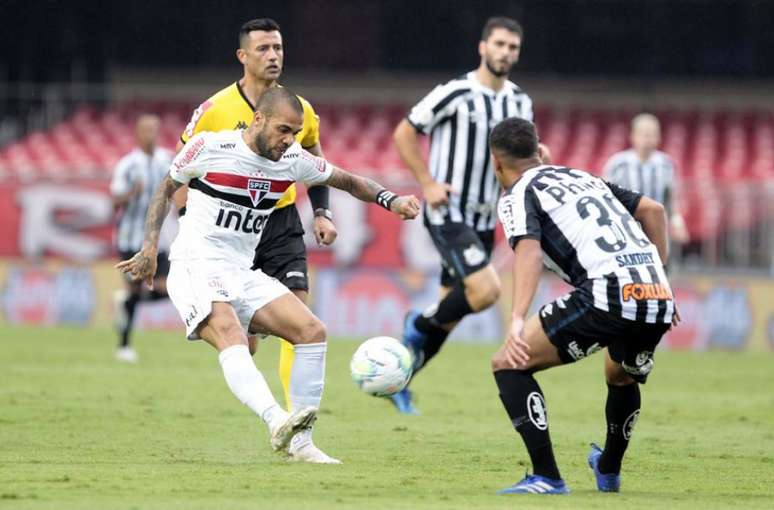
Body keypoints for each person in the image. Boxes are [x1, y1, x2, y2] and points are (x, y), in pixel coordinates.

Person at [117, 88, 420, 464]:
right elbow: (166, 188)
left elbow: (347, 180)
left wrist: (392, 201)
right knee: (231, 333)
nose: (289, 140)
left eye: (294, 132)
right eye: (283, 130)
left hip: (241, 270)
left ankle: (303, 443)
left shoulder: (291, 158)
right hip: (196, 263)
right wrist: (149, 248)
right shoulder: (210, 147)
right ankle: (277, 419)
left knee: (312, 331)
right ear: (258, 120)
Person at [489, 117, 679, 494]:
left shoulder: (516, 195)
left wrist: (515, 319)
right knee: (620, 374)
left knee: (509, 363)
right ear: (538, 150)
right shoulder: (582, 176)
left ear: (497, 163)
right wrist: (658, 280)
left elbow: (527, 252)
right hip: (657, 294)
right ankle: (608, 469)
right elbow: (654, 210)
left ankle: (547, 476)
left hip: (607, 293)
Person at [175, 19, 337, 428]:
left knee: (299, 315)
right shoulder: (214, 111)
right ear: (243, 56)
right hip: (227, 228)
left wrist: (321, 211)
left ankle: (294, 418)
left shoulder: (299, 108)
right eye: (264, 49)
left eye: (278, 48)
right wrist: (186, 223)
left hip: (279, 220)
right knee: (245, 342)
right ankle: (264, 400)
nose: (274, 56)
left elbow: (317, 159)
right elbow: (180, 172)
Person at [391, 16, 538, 414]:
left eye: (513, 47)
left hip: (486, 219)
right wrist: (427, 182)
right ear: (483, 47)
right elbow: (404, 132)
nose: (506, 52)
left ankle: (399, 380)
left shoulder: (520, 102)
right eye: (500, 44)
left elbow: (522, 157)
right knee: (487, 291)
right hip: (447, 211)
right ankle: (416, 325)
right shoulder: (455, 92)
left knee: (451, 315)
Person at [110, 113, 176, 363]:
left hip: (159, 238)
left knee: (167, 288)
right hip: (130, 239)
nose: (151, 134)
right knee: (135, 287)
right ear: (137, 133)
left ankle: (125, 299)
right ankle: (124, 346)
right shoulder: (127, 164)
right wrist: (130, 193)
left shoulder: (167, 160)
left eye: (154, 129)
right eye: (146, 129)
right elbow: (114, 200)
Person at [603, 113, 689, 246]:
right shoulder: (618, 164)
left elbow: (672, 198)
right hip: (626, 229)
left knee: (659, 264)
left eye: (653, 134)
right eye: (644, 134)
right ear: (633, 136)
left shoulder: (666, 165)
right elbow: (606, 197)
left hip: (656, 230)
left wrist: (677, 221)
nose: (649, 139)